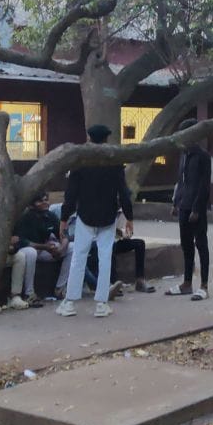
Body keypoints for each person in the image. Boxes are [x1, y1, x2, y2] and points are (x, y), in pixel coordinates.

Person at [57, 124, 133, 319]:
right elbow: (124, 192)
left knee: (78, 258)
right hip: (108, 217)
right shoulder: (114, 163)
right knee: (105, 258)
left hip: (85, 216)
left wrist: (64, 219)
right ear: (107, 139)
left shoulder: (81, 163)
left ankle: (69, 303)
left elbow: (71, 195)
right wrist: (129, 217)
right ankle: (101, 304)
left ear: (89, 138)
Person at [166, 118, 212, 301]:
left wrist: (197, 209)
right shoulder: (184, 155)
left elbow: (204, 186)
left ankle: (204, 286)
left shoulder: (203, 156)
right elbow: (181, 181)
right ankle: (186, 283)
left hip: (196, 207)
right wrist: (175, 203)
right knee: (186, 245)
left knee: (201, 244)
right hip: (183, 205)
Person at [14, 192, 75, 301]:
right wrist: (45, 247)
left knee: (72, 247)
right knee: (31, 252)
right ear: (31, 205)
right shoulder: (25, 218)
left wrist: (61, 248)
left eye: (46, 200)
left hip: (44, 250)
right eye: (40, 201)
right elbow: (22, 241)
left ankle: (60, 288)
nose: (45, 203)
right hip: (28, 251)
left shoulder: (50, 215)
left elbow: (64, 235)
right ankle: (29, 293)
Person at [86, 210, 155, 294]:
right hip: (102, 243)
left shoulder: (121, 212)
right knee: (111, 247)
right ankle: (113, 284)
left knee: (140, 244)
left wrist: (125, 233)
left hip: (116, 240)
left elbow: (120, 230)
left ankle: (140, 280)